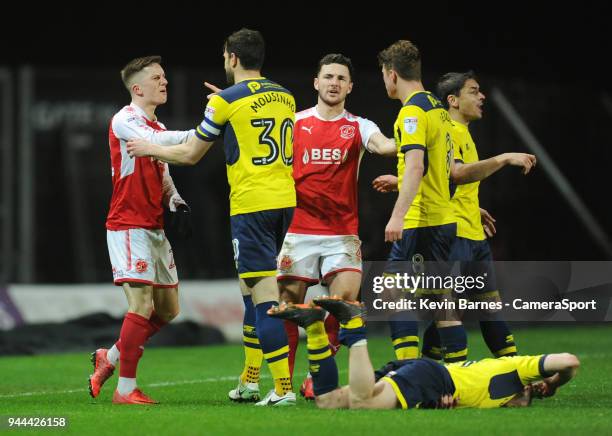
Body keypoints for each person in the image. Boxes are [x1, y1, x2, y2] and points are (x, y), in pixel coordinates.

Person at [126, 28, 297, 406]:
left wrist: (149, 148)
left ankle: (283, 389)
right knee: (250, 292)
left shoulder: (226, 102)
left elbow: (189, 154)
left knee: (265, 295)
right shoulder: (285, 96)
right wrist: (229, 105)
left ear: (233, 58)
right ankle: (250, 380)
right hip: (285, 201)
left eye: (224, 56)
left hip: (253, 205)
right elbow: (254, 121)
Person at [377, 41, 536, 364]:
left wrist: (397, 215)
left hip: (422, 222)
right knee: (445, 302)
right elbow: (446, 173)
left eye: (383, 75)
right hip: (445, 220)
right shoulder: (437, 109)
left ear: (392, 74)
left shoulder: (412, 112)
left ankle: (409, 371)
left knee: (396, 294)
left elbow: (419, 166)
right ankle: (454, 371)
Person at [277, 53, 396, 399]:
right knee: (288, 306)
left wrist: (416, 135)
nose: (334, 83)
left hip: (341, 233)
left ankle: (318, 376)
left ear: (350, 87)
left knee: (342, 301)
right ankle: (283, 384)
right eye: (328, 76)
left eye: (341, 78)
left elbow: (386, 146)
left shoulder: (360, 126)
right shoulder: (294, 122)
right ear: (316, 82)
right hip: (298, 230)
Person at [89, 55, 194, 405]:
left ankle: (111, 357)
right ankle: (124, 390)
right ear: (138, 88)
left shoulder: (157, 130)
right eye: (157, 78)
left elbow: (163, 171)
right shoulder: (125, 120)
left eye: (165, 77)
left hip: (154, 226)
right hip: (127, 223)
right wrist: (209, 127)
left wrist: (175, 199)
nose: (164, 82)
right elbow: (166, 143)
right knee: (141, 304)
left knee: (168, 310)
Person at [269, 297, 580, 410]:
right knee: (365, 403)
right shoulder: (515, 368)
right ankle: (353, 323)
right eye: (526, 396)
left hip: (424, 375)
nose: (521, 402)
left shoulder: (498, 398)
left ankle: (315, 329)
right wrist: (552, 384)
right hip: (434, 376)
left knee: (329, 402)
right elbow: (569, 361)